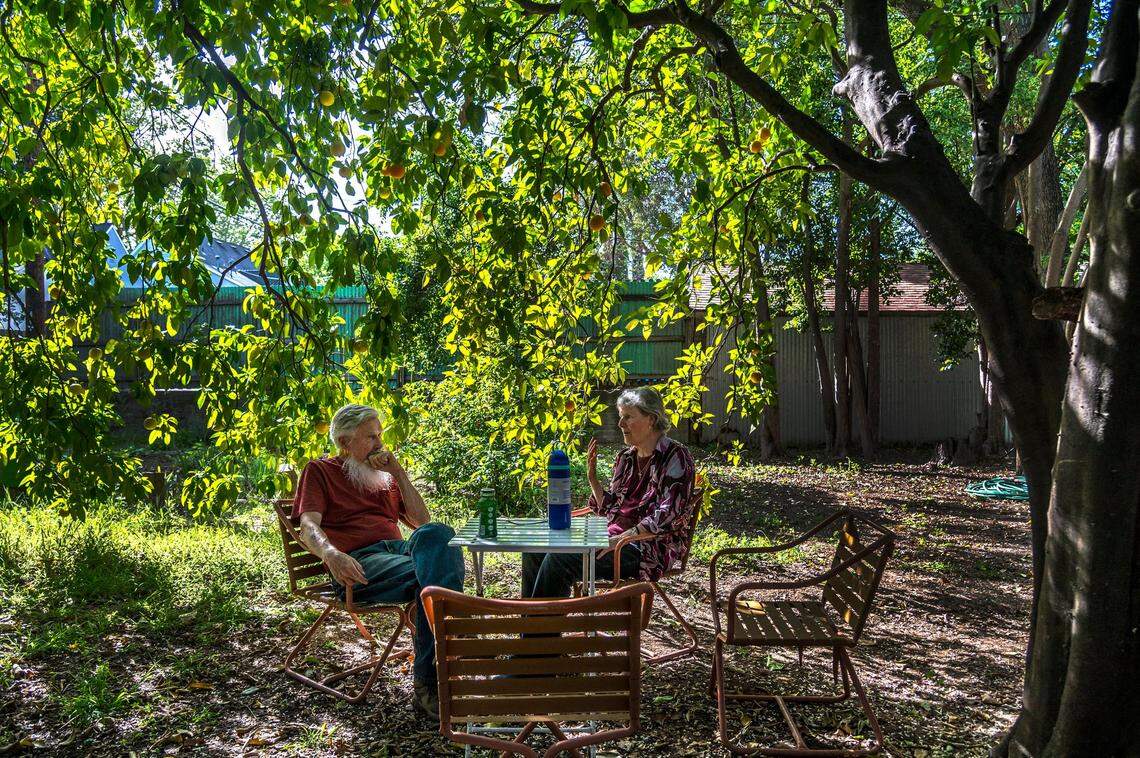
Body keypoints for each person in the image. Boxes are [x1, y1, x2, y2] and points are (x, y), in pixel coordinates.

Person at [292, 403, 464, 719]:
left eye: (380, 435)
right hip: (360, 561)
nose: (380, 444)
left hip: (399, 554)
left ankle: (437, 666)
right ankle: (438, 668)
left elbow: (421, 521)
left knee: (439, 533)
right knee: (430, 579)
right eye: (371, 437)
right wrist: (330, 554)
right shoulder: (319, 471)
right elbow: (308, 527)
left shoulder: (382, 478)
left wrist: (398, 473)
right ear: (345, 442)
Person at [523, 387, 696, 599]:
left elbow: (668, 514)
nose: (620, 424)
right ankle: (531, 627)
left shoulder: (675, 457)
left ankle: (540, 630)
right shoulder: (626, 458)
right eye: (620, 417)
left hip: (645, 548)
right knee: (534, 550)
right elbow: (609, 509)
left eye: (627, 417)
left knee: (560, 559)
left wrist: (620, 539)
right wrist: (592, 479)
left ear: (651, 419)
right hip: (610, 538)